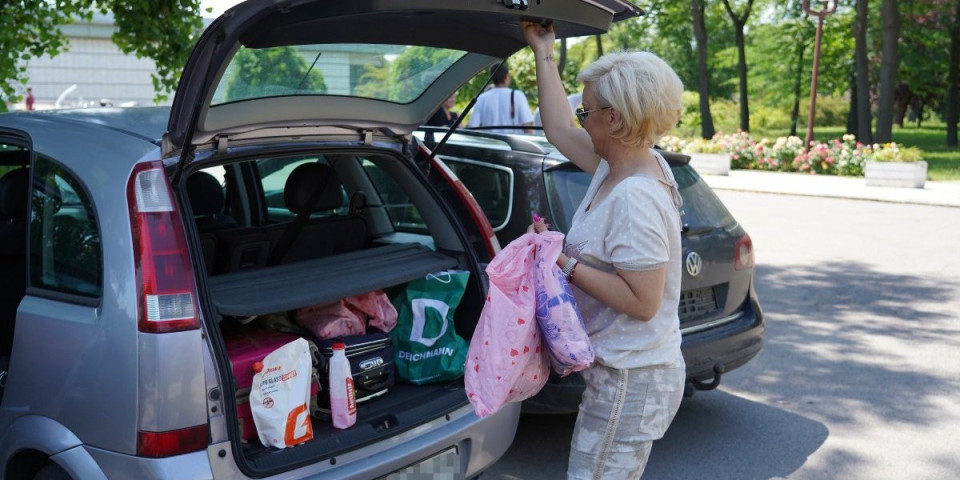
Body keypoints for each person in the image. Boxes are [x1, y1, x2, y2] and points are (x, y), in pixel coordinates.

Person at [522, 21, 687, 479]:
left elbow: (643, 301)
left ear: (613, 119)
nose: (581, 117)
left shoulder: (636, 194)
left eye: (587, 111)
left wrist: (562, 260)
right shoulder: (621, 162)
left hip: (631, 381)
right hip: (622, 375)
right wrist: (544, 50)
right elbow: (556, 127)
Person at [466, 62, 534, 134]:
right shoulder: (517, 95)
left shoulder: (482, 98)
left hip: (490, 143)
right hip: (514, 143)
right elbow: (528, 128)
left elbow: (472, 127)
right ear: (506, 77)